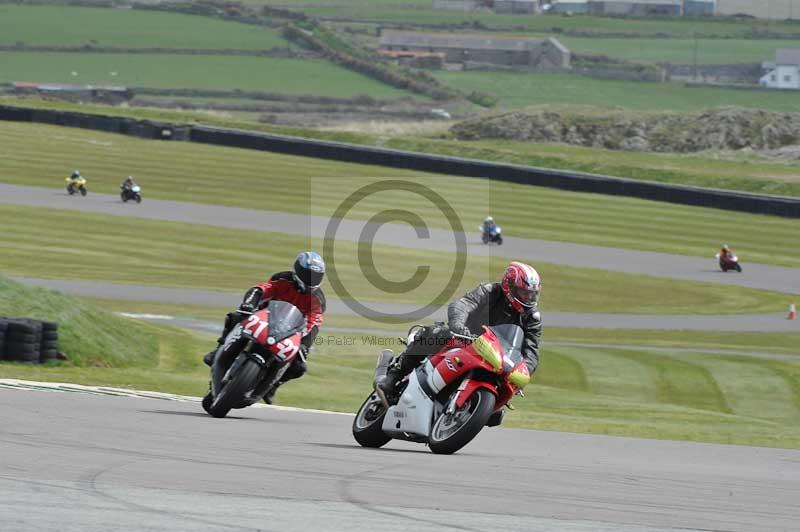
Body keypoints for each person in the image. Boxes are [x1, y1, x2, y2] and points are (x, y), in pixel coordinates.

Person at [376, 261, 543, 396]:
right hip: (466, 339)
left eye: (532, 294)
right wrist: (458, 325)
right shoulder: (490, 291)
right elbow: (463, 304)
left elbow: (531, 352)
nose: (528, 298)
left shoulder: (532, 318)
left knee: (496, 413)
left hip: (496, 358)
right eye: (524, 293)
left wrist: (522, 372)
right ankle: (394, 375)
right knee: (437, 333)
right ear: (509, 286)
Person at [204, 251, 327, 404]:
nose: (311, 280)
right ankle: (219, 348)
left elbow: (314, 323)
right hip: (264, 318)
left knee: (299, 366)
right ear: (297, 270)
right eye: (307, 274)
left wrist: (304, 345)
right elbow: (260, 289)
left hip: (288, 331)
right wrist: (248, 304)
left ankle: (273, 385)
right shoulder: (283, 278)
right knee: (235, 317)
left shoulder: (318, 299)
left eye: (315, 276)